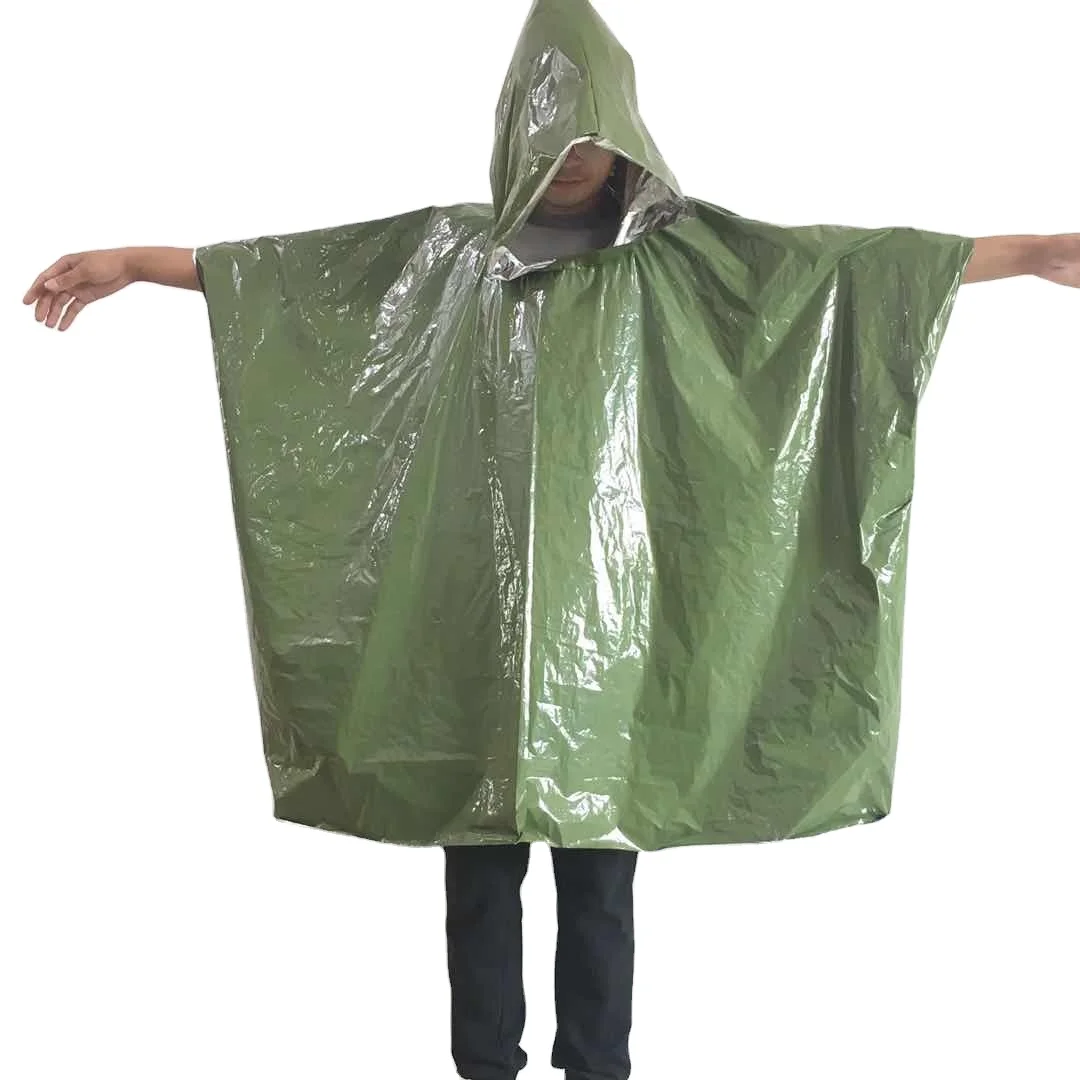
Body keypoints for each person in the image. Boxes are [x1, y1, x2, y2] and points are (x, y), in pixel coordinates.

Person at [20, 2, 1080, 1080]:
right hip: (471, 634)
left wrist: (1037, 251)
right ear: (513, 129)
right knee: (479, 884)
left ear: (624, 134)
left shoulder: (692, 260)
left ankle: (595, 1068)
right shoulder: (447, 256)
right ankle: (485, 1067)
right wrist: (135, 263)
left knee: (601, 884)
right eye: (551, 129)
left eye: (591, 133)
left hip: (614, 649)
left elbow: (846, 267)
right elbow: (296, 278)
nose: (572, 155)